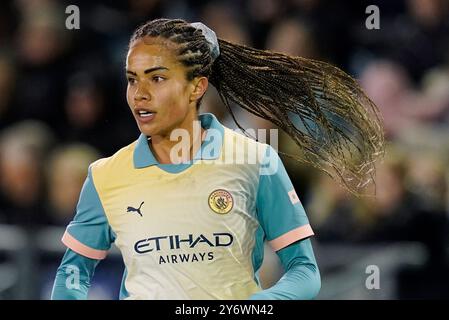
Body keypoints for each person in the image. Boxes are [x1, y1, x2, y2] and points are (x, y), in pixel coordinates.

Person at [51, 18, 384, 300]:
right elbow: (72, 273)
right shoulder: (106, 175)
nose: (139, 94)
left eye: (157, 78)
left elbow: (305, 272)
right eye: (132, 79)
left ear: (196, 87)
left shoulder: (256, 160)